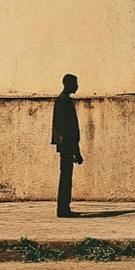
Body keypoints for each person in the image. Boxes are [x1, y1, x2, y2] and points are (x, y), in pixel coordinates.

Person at [51, 73, 83, 217]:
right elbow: (68, 128)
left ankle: (64, 207)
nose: (77, 86)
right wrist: (75, 150)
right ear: (69, 84)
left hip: (66, 144)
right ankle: (63, 209)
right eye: (75, 83)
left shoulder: (63, 100)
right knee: (66, 176)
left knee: (66, 176)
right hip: (67, 145)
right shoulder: (64, 101)